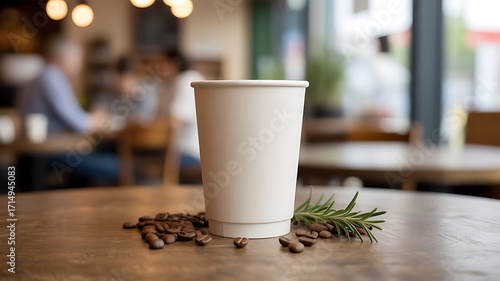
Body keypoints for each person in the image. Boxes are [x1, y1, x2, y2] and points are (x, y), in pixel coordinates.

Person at [18, 36, 118, 187]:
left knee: (109, 156)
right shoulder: (51, 76)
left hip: (42, 151)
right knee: (119, 167)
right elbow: (79, 122)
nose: (80, 64)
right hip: (50, 152)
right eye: (77, 58)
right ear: (63, 58)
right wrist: (96, 118)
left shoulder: (41, 75)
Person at [158, 49, 204, 170]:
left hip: (190, 153)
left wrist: (145, 124)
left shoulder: (186, 80)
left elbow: (175, 120)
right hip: (181, 152)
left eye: (161, 63)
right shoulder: (169, 85)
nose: (157, 68)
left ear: (174, 63)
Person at [91, 57, 157, 127]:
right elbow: (96, 115)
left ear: (135, 78)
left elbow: (144, 120)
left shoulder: (146, 93)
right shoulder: (108, 91)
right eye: (119, 79)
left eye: (127, 80)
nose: (122, 84)